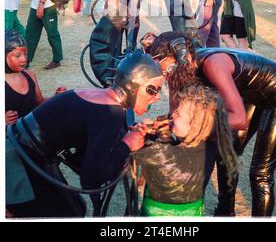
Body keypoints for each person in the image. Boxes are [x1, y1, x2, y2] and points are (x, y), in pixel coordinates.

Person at [146, 30, 276, 217]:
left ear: (182, 56)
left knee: (260, 174)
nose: (166, 76)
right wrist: (163, 125)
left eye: (166, 70)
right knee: (226, 154)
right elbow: (175, 113)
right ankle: (225, 214)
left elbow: (238, 119)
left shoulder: (213, 65)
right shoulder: (180, 69)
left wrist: (196, 125)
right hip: (248, 93)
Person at [6, 51, 163, 218]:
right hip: (16, 164)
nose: (157, 97)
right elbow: (91, 181)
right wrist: (128, 145)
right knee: (68, 214)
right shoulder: (110, 114)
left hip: (22, 150)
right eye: (153, 90)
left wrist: (124, 139)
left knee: (75, 208)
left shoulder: (101, 97)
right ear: (133, 86)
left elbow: (87, 154)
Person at [133, 84, 239, 216]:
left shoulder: (158, 152)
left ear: (194, 126)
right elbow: (177, 150)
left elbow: (127, 149)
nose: (173, 115)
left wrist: (143, 132)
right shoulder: (209, 147)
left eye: (178, 114)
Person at [5, 30, 66, 128]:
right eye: (17, 55)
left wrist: (56, 97)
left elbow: (40, 102)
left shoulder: (29, 75)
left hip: (31, 133)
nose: (24, 59)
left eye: (25, 54)